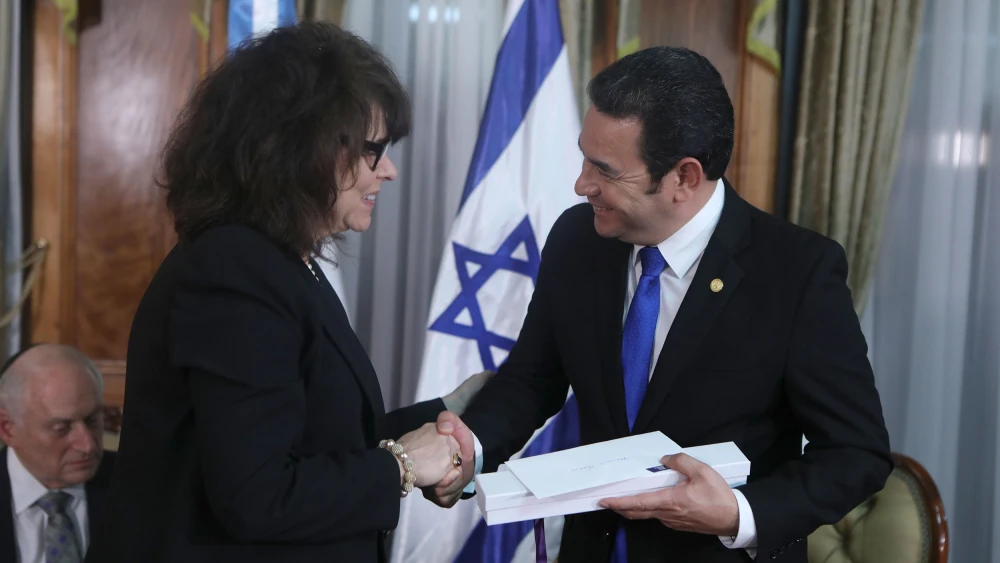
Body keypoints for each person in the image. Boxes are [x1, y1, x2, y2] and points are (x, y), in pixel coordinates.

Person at [431, 46, 893, 562]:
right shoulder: (577, 240)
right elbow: (532, 380)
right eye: (584, 156)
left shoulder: (797, 272)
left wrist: (740, 513)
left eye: (605, 170)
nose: (582, 184)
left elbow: (857, 454)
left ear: (684, 178)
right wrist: (469, 448)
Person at [85, 23, 483, 563]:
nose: (387, 171)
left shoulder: (284, 263)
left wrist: (444, 412)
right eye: (374, 150)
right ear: (304, 147)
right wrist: (401, 466)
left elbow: (311, 437)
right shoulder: (234, 271)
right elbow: (258, 494)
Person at [0, 344, 116, 563]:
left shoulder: (146, 487)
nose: (87, 445)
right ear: (8, 428)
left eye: (92, 420)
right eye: (61, 429)